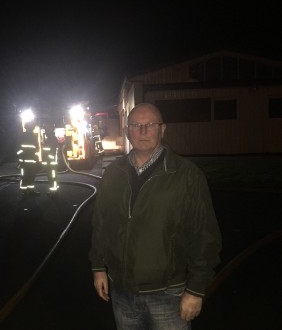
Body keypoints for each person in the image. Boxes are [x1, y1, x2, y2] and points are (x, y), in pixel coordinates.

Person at [89, 103, 222, 329]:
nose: (142, 131)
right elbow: (101, 224)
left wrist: (196, 290)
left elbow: (205, 234)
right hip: (121, 291)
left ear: (163, 129)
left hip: (168, 294)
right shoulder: (113, 173)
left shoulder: (186, 175)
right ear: (127, 130)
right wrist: (98, 267)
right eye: (136, 125)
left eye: (150, 125)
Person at [17, 122, 39, 196]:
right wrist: (21, 160)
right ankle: (25, 192)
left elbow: (36, 148)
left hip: (28, 161)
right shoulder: (24, 136)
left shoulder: (32, 136)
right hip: (27, 161)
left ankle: (30, 191)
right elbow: (19, 149)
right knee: (26, 177)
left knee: (30, 177)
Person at [41, 127, 59, 195]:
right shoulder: (51, 139)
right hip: (50, 162)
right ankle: (54, 190)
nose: (46, 133)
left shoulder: (51, 139)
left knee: (52, 177)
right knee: (52, 177)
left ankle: (53, 192)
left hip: (50, 162)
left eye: (47, 132)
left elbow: (51, 152)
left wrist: (47, 160)